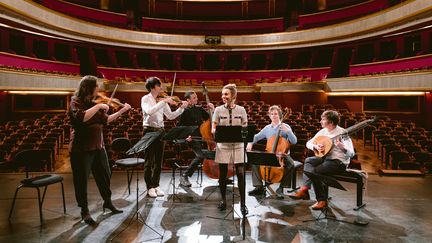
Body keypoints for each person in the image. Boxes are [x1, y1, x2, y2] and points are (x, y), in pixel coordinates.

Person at [69, 75, 132, 225]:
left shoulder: (94, 103)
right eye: (96, 85)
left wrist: (122, 110)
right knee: (81, 180)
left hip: (98, 147)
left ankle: (107, 202)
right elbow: (81, 118)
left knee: (105, 175)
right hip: (81, 149)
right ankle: (84, 210)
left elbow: (106, 120)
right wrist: (97, 107)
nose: (98, 88)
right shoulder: (75, 102)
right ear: (88, 87)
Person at [289, 110, 355, 210]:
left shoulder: (343, 133)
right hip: (326, 159)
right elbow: (308, 143)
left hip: (339, 162)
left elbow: (351, 153)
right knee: (308, 161)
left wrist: (342, 148)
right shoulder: (323, 131)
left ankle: (322, 200)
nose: (320, 121)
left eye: (323, 119)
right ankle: (305, 190)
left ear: (331, 122)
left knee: (316, 171)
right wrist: (316, 146)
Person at [141, 76, 188, 198]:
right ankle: (149, 187)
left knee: (158, 161)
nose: (161, 88)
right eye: (158, 85)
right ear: (152, 87)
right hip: (149, 130)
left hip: (161, 131)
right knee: (149, 161)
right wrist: (164, 102)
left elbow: (171, 116)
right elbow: (149, 111)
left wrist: (181, 109)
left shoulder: (163, 100)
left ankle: (156, 185)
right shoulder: (145, 98)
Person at [246, 105, 297, 198]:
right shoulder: (267, 128)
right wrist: (250, 143)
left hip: (282, 155)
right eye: (272, 114)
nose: (274, 116)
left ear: (280, 115)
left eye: (276, 114)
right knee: (255, 161)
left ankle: (281, 187)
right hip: (270, 154)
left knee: (291, 164)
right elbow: (256, 137)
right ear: (269, 116)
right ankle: (259, 187)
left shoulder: (286, 127)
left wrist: (289, 132)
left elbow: (294, 141)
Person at [212, 83, 248, 211]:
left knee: (241, 174)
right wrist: (214, 131)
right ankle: (223, 201)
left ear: (233, 95)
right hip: (223, 145)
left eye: (226, 94)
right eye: (222, 94)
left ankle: (243, 204)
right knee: (222, 174)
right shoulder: (218, 110)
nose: (223, 96)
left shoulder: (241, 110)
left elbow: (245, 126)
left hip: (238, 145)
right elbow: (214, 126)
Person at [177, 91, 214, 187]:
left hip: (203, 137)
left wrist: (212, 110)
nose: (196, 99)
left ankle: (222, 177)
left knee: (215, 154)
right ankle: (184, 175)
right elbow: (180, 126)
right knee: (201, 156)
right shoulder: (184, 111)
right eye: (194, 98)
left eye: (196, 97)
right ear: (188, 100)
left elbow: (210, 119)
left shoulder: (199, 109)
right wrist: (186, 136)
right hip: (192, 138)